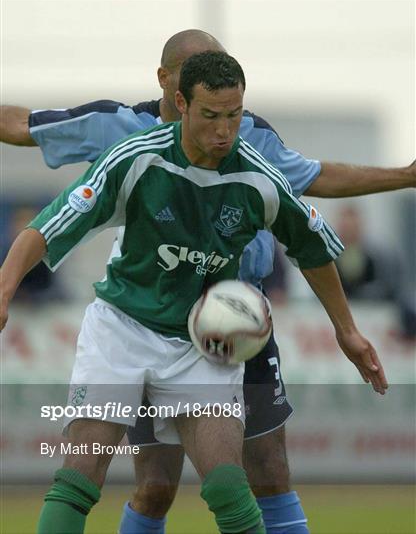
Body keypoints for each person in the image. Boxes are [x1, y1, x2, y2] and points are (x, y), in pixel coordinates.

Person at [0, 29, 410, 534]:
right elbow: (46, 225)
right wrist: (4, 289)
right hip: (123, 329)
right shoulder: (133, 152)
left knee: (230, 483)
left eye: (234, 116)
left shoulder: (260, 175)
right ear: (179, 100)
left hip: (207, 334)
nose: (225, 131)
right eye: (212, 116)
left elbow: (313, 247)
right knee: (89, 469)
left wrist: (347, 331)